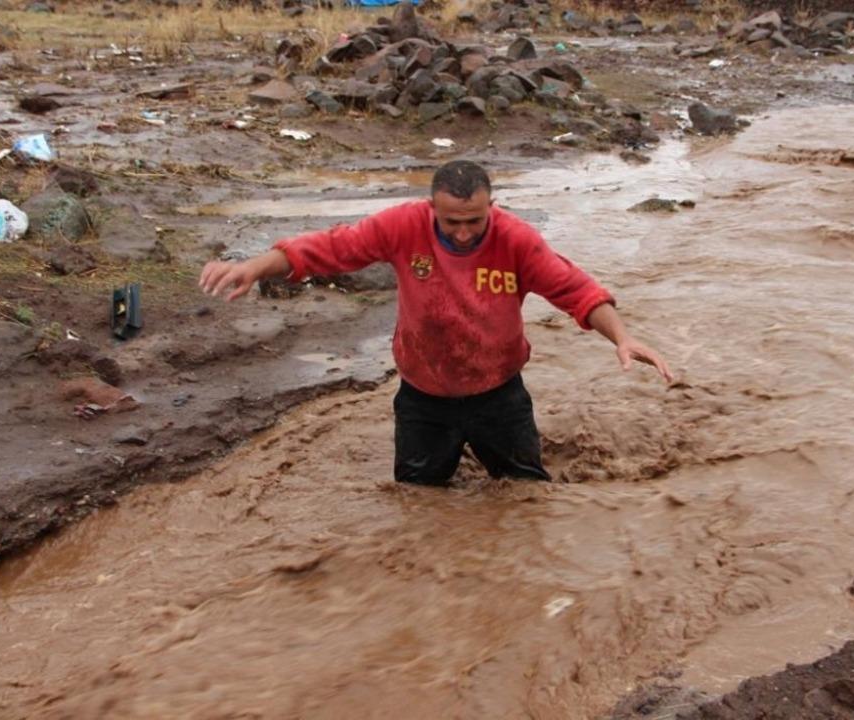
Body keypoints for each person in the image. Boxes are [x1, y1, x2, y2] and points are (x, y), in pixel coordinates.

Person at [199, 160, 672, 486]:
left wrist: (622, 337)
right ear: (432, 210)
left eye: (475, 221)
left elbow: (576, 290)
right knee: (418, 498)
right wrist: (254, 267)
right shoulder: (402, 226)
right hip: (424, 395)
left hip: (499, 395)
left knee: (527, 494)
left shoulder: (517, 241)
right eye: (451, 223)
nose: (464, 233)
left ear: (492, 207)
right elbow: (330, 248)